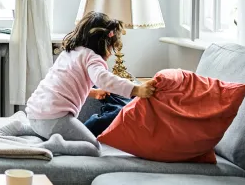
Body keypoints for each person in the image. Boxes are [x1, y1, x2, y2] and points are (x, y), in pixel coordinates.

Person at [24, 11, 156, 149]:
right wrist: (136, 89)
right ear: (105, 43)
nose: (110, 54)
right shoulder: (92, 58)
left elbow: (66, 86)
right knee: (93, 147)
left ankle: (22, 127)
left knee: (44, 127)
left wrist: (94, 92)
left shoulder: (69, 53)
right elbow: (102, 78)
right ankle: (56, 144)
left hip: (34, 114)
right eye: (111, 48)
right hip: (54, 119)